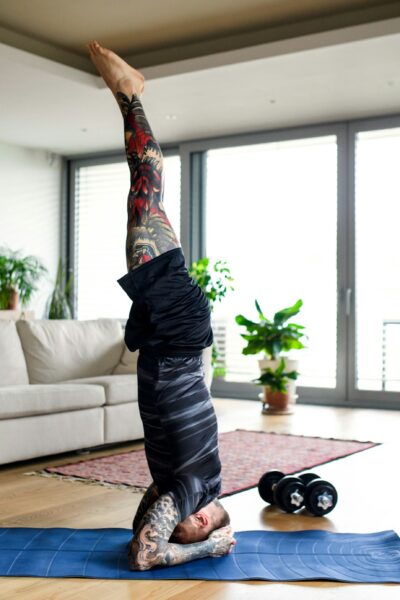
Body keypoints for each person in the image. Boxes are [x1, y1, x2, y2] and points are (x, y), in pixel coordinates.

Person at [87, 40, 236, 571]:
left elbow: (143, 535)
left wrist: (200, 538)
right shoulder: (197, 487)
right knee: (145, 197)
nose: (188, 522)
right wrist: (210, 546)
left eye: (190, 526)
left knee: (144, 203)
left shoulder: (180, 489)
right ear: (213, 512)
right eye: (204, 521)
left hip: (165, 345)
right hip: (178, 338)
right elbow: (144, 558)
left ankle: (131, 94)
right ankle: (130, 93)